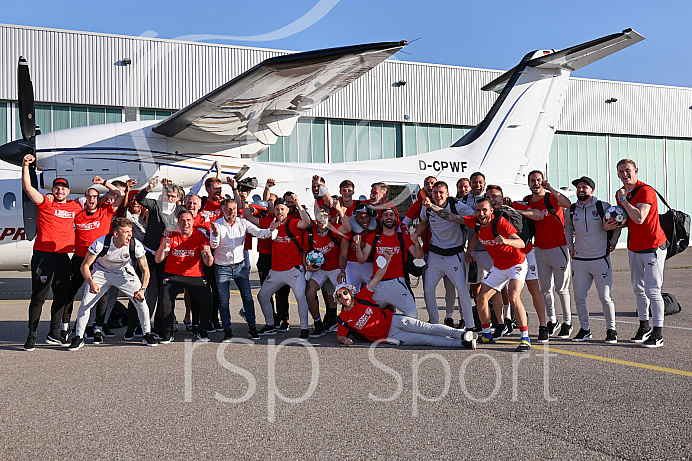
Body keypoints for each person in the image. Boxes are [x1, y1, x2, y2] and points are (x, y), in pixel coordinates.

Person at [336, 249, 476, 349]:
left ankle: (462, 335)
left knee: (428, 328)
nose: (343, 297)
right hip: (391, 337)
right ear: (338, 300)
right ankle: (462, 343)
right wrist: (344, 340)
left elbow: (378, 277)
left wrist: (387, 261)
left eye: (345, 293)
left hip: (394, 320)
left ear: (351, 292)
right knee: (426, 340)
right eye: (339, 296)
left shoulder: (362, 296)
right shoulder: (342, 318)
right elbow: (340, 336)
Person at [22, 154, 83, 351]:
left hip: (64, 257)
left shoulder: (75, 206)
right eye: (56, 188)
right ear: (52, 190)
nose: (59, 190)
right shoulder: (46, 203)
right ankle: (31, 335)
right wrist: (25, 165)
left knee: (63, 295)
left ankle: (54, 334)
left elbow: (96, 204)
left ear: (68, 191)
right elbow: (28, 188)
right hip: (43, 255)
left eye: (63, 188)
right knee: (39, 297)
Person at [68, 218, 158, 350]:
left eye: (131, 231)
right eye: (126, 232)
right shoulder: (100, 243)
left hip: (124, 272)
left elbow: (146, 270)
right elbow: (85, 266)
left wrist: (142, 289)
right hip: (101, 272)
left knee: (141, 302)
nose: (130, 235)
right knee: (86, 303)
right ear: (116, 234)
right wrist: (91, 283)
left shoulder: (135, 245)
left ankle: (147, 333)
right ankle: (79, 337)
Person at [464, 199, 532, 351]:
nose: (481, 214)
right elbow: (471, 231)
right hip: (499, 266)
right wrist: (432, 206)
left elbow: (521, 243)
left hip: (517, 263)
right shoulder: (476, 223)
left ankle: (525, 338)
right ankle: (487, 334)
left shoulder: (500, 222)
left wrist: (506, 241)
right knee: (481, 298)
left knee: (514, 296)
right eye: (478, 210)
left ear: (491, 211)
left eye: (484, 210)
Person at [63, 177, 123, 342]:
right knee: (70, 292)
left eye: (95, 196)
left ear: (98, 199)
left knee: (100, 295)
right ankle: (65, 328)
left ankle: (97, 328)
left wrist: (103, 183)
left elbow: (120, 194)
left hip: (98, 260)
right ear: (85, 199)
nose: (91, 199)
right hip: (79, 259)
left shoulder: (105, 212)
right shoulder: (78, 214)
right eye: (89, 196)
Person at [615, 159, 668, 348]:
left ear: (636, 170)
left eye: (627, 170)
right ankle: (644, 327)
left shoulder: (645, 190)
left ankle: (658, 333)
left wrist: (623, 200)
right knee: (638, 289)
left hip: (653, 246)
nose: (624, 174)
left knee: (653, 290)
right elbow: (623, 220)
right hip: (634, 247)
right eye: (621, 171)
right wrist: (612, 238)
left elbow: (638, 217)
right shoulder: (620, 193)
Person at [210, 199, 277, 341]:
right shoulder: (217, 225)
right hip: (222, 267)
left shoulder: (242, 222)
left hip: (239, 266)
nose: (231, 212)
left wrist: (271, 229)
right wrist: (215, 234)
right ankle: (227, 330)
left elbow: (260, 233)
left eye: (233, 208)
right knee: (223, 301)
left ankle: (252, 328)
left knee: (247, 298)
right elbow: (214, 245)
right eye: (228, 209)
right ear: (223, 210)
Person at [565, 176, 621, 343]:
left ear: (592, 190)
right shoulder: (572, 210)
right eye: (579, 187)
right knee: (579, 298)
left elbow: (617, 224)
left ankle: (611, 330)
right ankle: (585, 329)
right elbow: (568, 229)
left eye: (585, 187)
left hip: (600, 258)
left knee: (605, 297)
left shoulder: (603, 207)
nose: (581, 190)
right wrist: (570, 247)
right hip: (580, 260)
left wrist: (613, 242)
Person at [417, 181, 476, 330]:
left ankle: (470, 325)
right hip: (435, 255)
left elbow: (474, 219)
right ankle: (435, 324)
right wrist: (413, 236)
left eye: (441, 192)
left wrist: (469, 251)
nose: (438, 195)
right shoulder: (427, 208)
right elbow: (423, 223)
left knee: (462, 290)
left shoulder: (458, 206)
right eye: (435, 192)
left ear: (447, 194)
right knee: (428, 290)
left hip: (454, 255)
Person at [256, 196, 313, 339]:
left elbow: (307, 222)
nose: (279, 211)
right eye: (277, 209)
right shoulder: (272, 225)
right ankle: (270, 325)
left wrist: (298, 203)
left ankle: (304, 329)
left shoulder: (294, 223)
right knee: (262, 296)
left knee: (300, 296)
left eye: (282, 209)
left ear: (288, 210)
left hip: (294, 269)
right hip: (276, 271)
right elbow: (251, 219)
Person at [525, 170, 573, 338]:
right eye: (532, 180)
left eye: (538, 180)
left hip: (558, 248)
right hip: (540, 249)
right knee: (545, 288)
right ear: (529, 183)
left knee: (562, 289)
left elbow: (567, 203)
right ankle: (552, 320)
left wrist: (550, 188)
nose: (535, 183)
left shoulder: (551, 198)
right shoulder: (527, 201)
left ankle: (568, 322)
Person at [405, 177, 459, 328]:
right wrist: (411, 239)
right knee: (428, 287)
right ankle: (433, 319)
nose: (430, 186)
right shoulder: (420, 205)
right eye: (427, 184)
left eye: (433, 184)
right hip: (427, 252)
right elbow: (405, 222)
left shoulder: (451, 204)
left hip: (449, 251)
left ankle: (449, 317)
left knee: (450, 286)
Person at [155, 211, 215, 343]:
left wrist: (209, 254)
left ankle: (202, 330)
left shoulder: (200, 236)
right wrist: (162, 247)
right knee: (165, 301)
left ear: (193, 222)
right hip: (173, 273)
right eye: (182, 220)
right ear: (178, 222)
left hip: (194, 274)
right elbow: (158, 260)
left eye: (188, 220)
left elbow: (208, 263)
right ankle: (167, 332)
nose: (185, 223)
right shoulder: (171, 236)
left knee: (207, 302)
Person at [357, 206, 423, 318]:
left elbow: (418, 256)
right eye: (386, 215)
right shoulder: (374, 237)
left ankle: (399, 331)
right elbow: (362, 260)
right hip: (377, 283)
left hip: (397, 282)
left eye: (391, 215)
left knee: (412, 316)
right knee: (365, 316)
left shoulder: (403, 237)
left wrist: (416, 243)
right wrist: (358, 246)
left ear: (396, 218)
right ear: (381, 219)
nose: (389, 217)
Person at [136, 177, 187, 323]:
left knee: (163, 290)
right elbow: (139, 199)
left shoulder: (180, 210)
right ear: (162, 195)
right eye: (167, 195)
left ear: (178, 198)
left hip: (166, 254)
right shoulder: (155, 205)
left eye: (172, 196)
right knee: (142, 287)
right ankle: (137, 323)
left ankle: (161, 323)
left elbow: (187, 226)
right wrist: (149, 187)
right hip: (149, 251)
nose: (169, 198)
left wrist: (173, 228)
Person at [304, 205, 351, 337]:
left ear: (329, 218)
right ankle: (318, 324)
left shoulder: (333, 229)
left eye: (325, 216)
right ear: (316, 218)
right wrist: (306, 265)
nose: (322, 219)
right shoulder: (311, 231)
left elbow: (347, 228)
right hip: (319, 270)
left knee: (344, 296)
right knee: (309, 294)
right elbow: (305, 252)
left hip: (335, 269)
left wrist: (341, 211)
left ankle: (348, 324)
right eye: (319, 216)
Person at [340, 202, 379, 289]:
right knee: (349, 291)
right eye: (361, 218)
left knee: (375, 291)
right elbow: (343, 255)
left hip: (369, 264)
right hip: (352, 265)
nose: (365, 221)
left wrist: (363, 245)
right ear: (356, 218)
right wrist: (342, 270)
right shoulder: (350, 232)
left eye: (367, 217)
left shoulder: (375, 231)